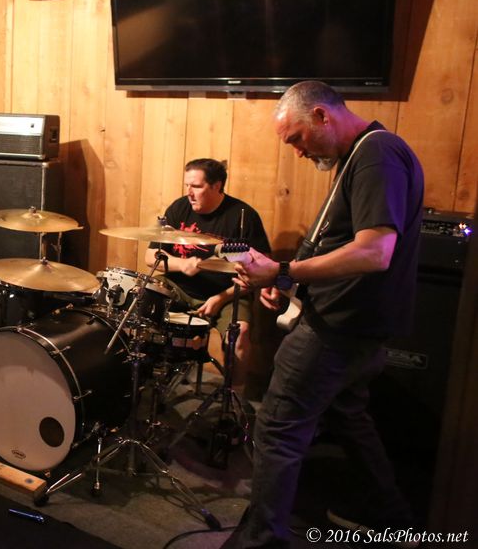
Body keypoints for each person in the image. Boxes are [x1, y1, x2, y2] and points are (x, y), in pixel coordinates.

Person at [226, 81, 423, 549]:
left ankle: (261, 541)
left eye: (297, 138)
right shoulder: (361, 154)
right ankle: (393, 521)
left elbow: (374, 252)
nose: (297, 152)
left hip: (338, 329)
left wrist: (284, 270)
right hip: (356, 326)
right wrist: (287, 282)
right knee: (349, 418)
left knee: (276, 427)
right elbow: (339, 245)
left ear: (321, 115)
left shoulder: (376, 154)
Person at [145, 158, 271, 369]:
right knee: (141, 304)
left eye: (196, 186)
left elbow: (262, 271)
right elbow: (151, 257)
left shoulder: (243, 216)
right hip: (179, 287)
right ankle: (150, 377)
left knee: (239, 334)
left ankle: (235, 389)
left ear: (216, 186)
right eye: (187, 185)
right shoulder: (179, 208)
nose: (189, 192)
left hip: (229, 292)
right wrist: (181, 264)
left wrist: (221, 299)